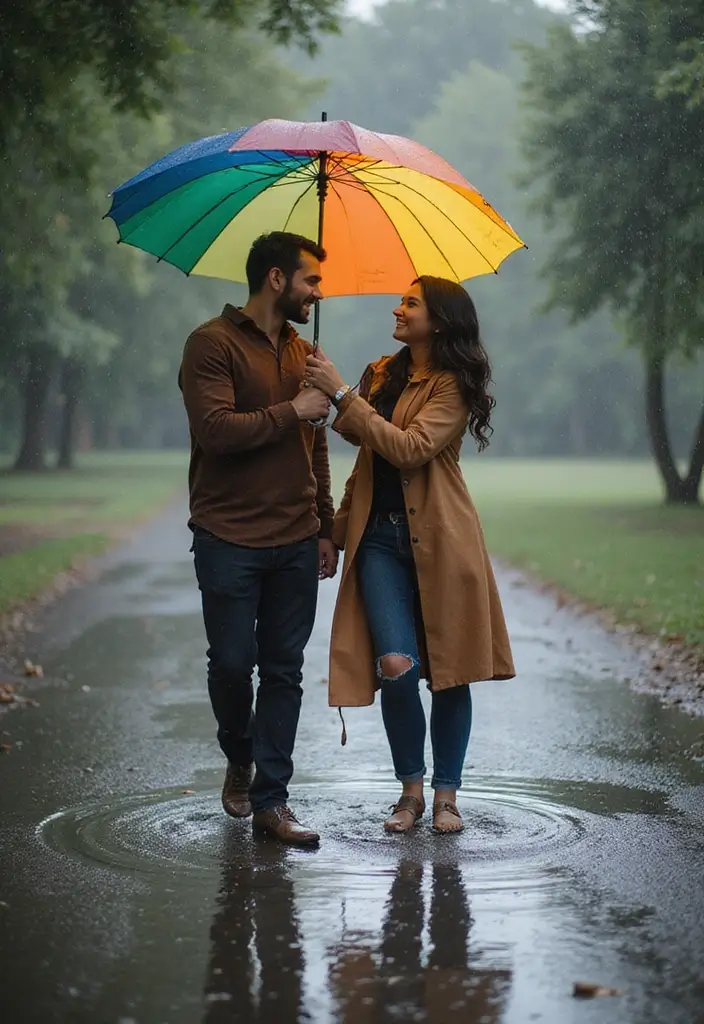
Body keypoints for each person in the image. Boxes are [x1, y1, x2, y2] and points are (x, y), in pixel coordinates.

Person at [304, 276, 515, 835]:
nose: (397, 309)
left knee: (450, 673)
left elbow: (412, 449)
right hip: (379, 541)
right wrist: (336, 531)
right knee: (396, 667)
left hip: (444, 540)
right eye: (402, 300)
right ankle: (411, 792)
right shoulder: (381, 373)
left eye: (411, 304)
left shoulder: (453, 384)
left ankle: (447, 796)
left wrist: (344, 396)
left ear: (439, 321)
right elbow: (370, 459)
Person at [179, 231, 338, 848]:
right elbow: (215, 430)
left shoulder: (308, 355)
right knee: (232, 665)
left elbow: (316, 445)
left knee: (283, 671)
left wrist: (324, 526)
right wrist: (292, 410)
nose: (316, 292)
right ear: (277, 279)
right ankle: (239, 753)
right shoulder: (209, 345)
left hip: (296, 539)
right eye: (311, 281)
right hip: (227, 534)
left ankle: (273, 803)